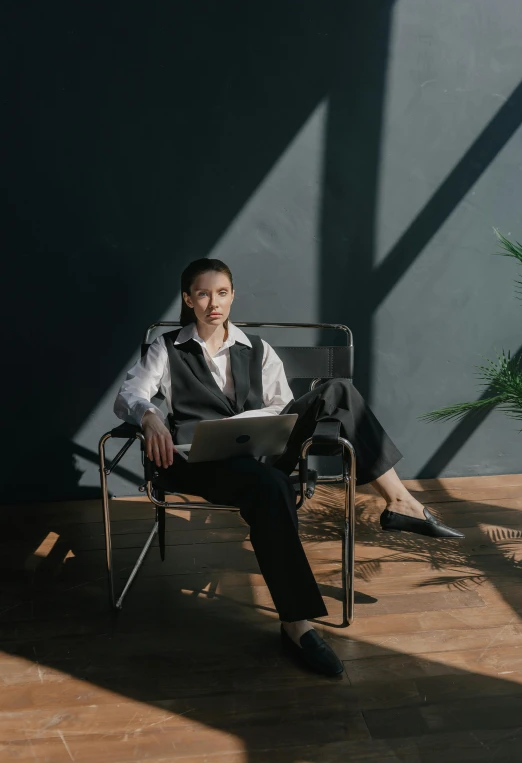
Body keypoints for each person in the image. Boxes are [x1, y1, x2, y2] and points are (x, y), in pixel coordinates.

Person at [114, 257, 464, 677]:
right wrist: (150, 415)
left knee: (338, 390)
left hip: (260, 448)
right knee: (271, 487)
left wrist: (261, 424)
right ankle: (297, 625)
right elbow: (129, 394)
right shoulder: (166, 348)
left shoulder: (256, 348)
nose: (214, 303)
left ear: (232, 296)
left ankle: (400, 501)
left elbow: (282, 406)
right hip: (201, 460)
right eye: (203, 293)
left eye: (222, 293)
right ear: (188, 299)